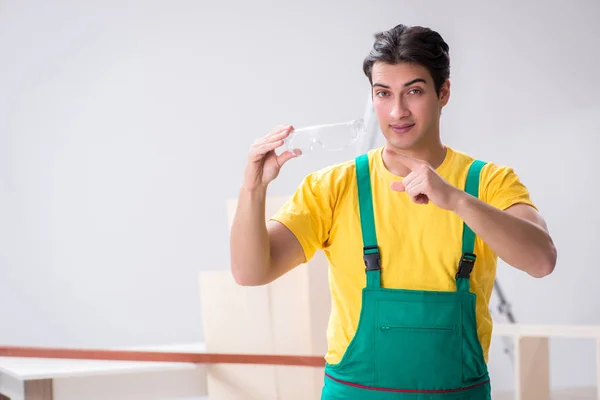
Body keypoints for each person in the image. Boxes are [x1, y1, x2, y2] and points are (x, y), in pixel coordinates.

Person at [230, 23, 557, 399]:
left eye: (414, 91)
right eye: (383, 94)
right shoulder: (335, 186)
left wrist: (457, 200)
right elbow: (250, 272)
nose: (397, 111)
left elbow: (541, 260)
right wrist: (253, 188)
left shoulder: (488, 182)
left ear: (444, 92)